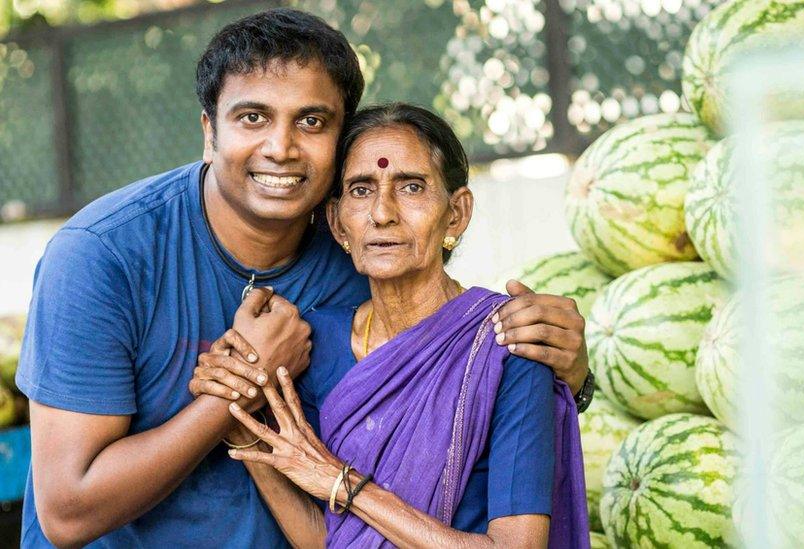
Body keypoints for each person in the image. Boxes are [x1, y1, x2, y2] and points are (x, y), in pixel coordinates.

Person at [15, 9, 592, 548]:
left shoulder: (359, 252)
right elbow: (67, 513)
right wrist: (244, 388)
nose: (281, 147)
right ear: (209, 131)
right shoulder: (102, 257)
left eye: (311, 121)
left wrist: (566, 374)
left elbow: (450, 372)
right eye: (252, 117)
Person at [191, 102, 589, 548]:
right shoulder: (314, 344)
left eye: (411, 187)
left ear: (455, 214)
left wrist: (344, 484)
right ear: (338, 223)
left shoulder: (506, 344)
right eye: (361, 190)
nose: (383, 212)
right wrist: (248, 438)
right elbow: (333, 540)